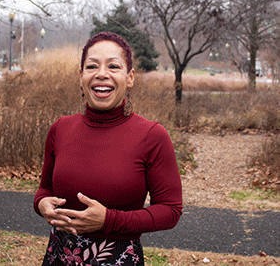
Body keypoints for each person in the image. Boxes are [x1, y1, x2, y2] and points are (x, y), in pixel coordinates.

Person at [34, 32, 183, 266]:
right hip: (58, 258)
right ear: (81, 75)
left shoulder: (152, 136)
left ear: (130, 77)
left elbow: (170, 210)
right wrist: (41, 204)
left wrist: (108, 221)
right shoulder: (60, 129)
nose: (101, 74)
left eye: (113, 66)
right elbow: (45, 189)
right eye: (92, 66)